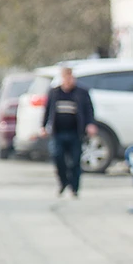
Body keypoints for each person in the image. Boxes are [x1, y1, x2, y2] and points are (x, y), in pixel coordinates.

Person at [40, 67, 95, 197]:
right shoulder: (54, 92)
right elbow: (47, 110)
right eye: (65, 77)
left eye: (70, 77)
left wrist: (90, 124)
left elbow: (89, 110)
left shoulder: (81, 92)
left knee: (75, 160)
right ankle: (63, 182)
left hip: (75, 132)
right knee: (58, 157)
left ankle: (74, 187)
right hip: (58, 132)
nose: (68, 80)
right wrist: (43, 126)